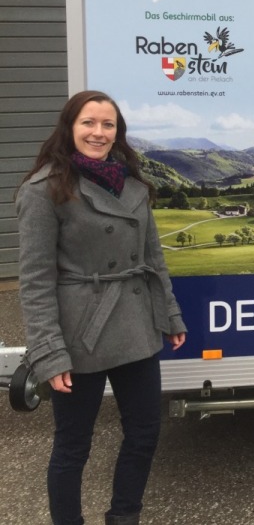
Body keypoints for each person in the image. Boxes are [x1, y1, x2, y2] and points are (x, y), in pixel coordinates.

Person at [16, 91, 187, 525]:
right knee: (73, 447)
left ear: (117, 132)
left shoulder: (133, 183)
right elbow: (35, 281)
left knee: (144, 433)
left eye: (107, 124)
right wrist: (48, 352)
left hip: (135, 326)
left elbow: (153, 258)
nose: (98, 132)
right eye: (88, 123)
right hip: (79, 335)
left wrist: (169, 314)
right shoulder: (44, 189)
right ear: (70, 128)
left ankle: (124, 516)